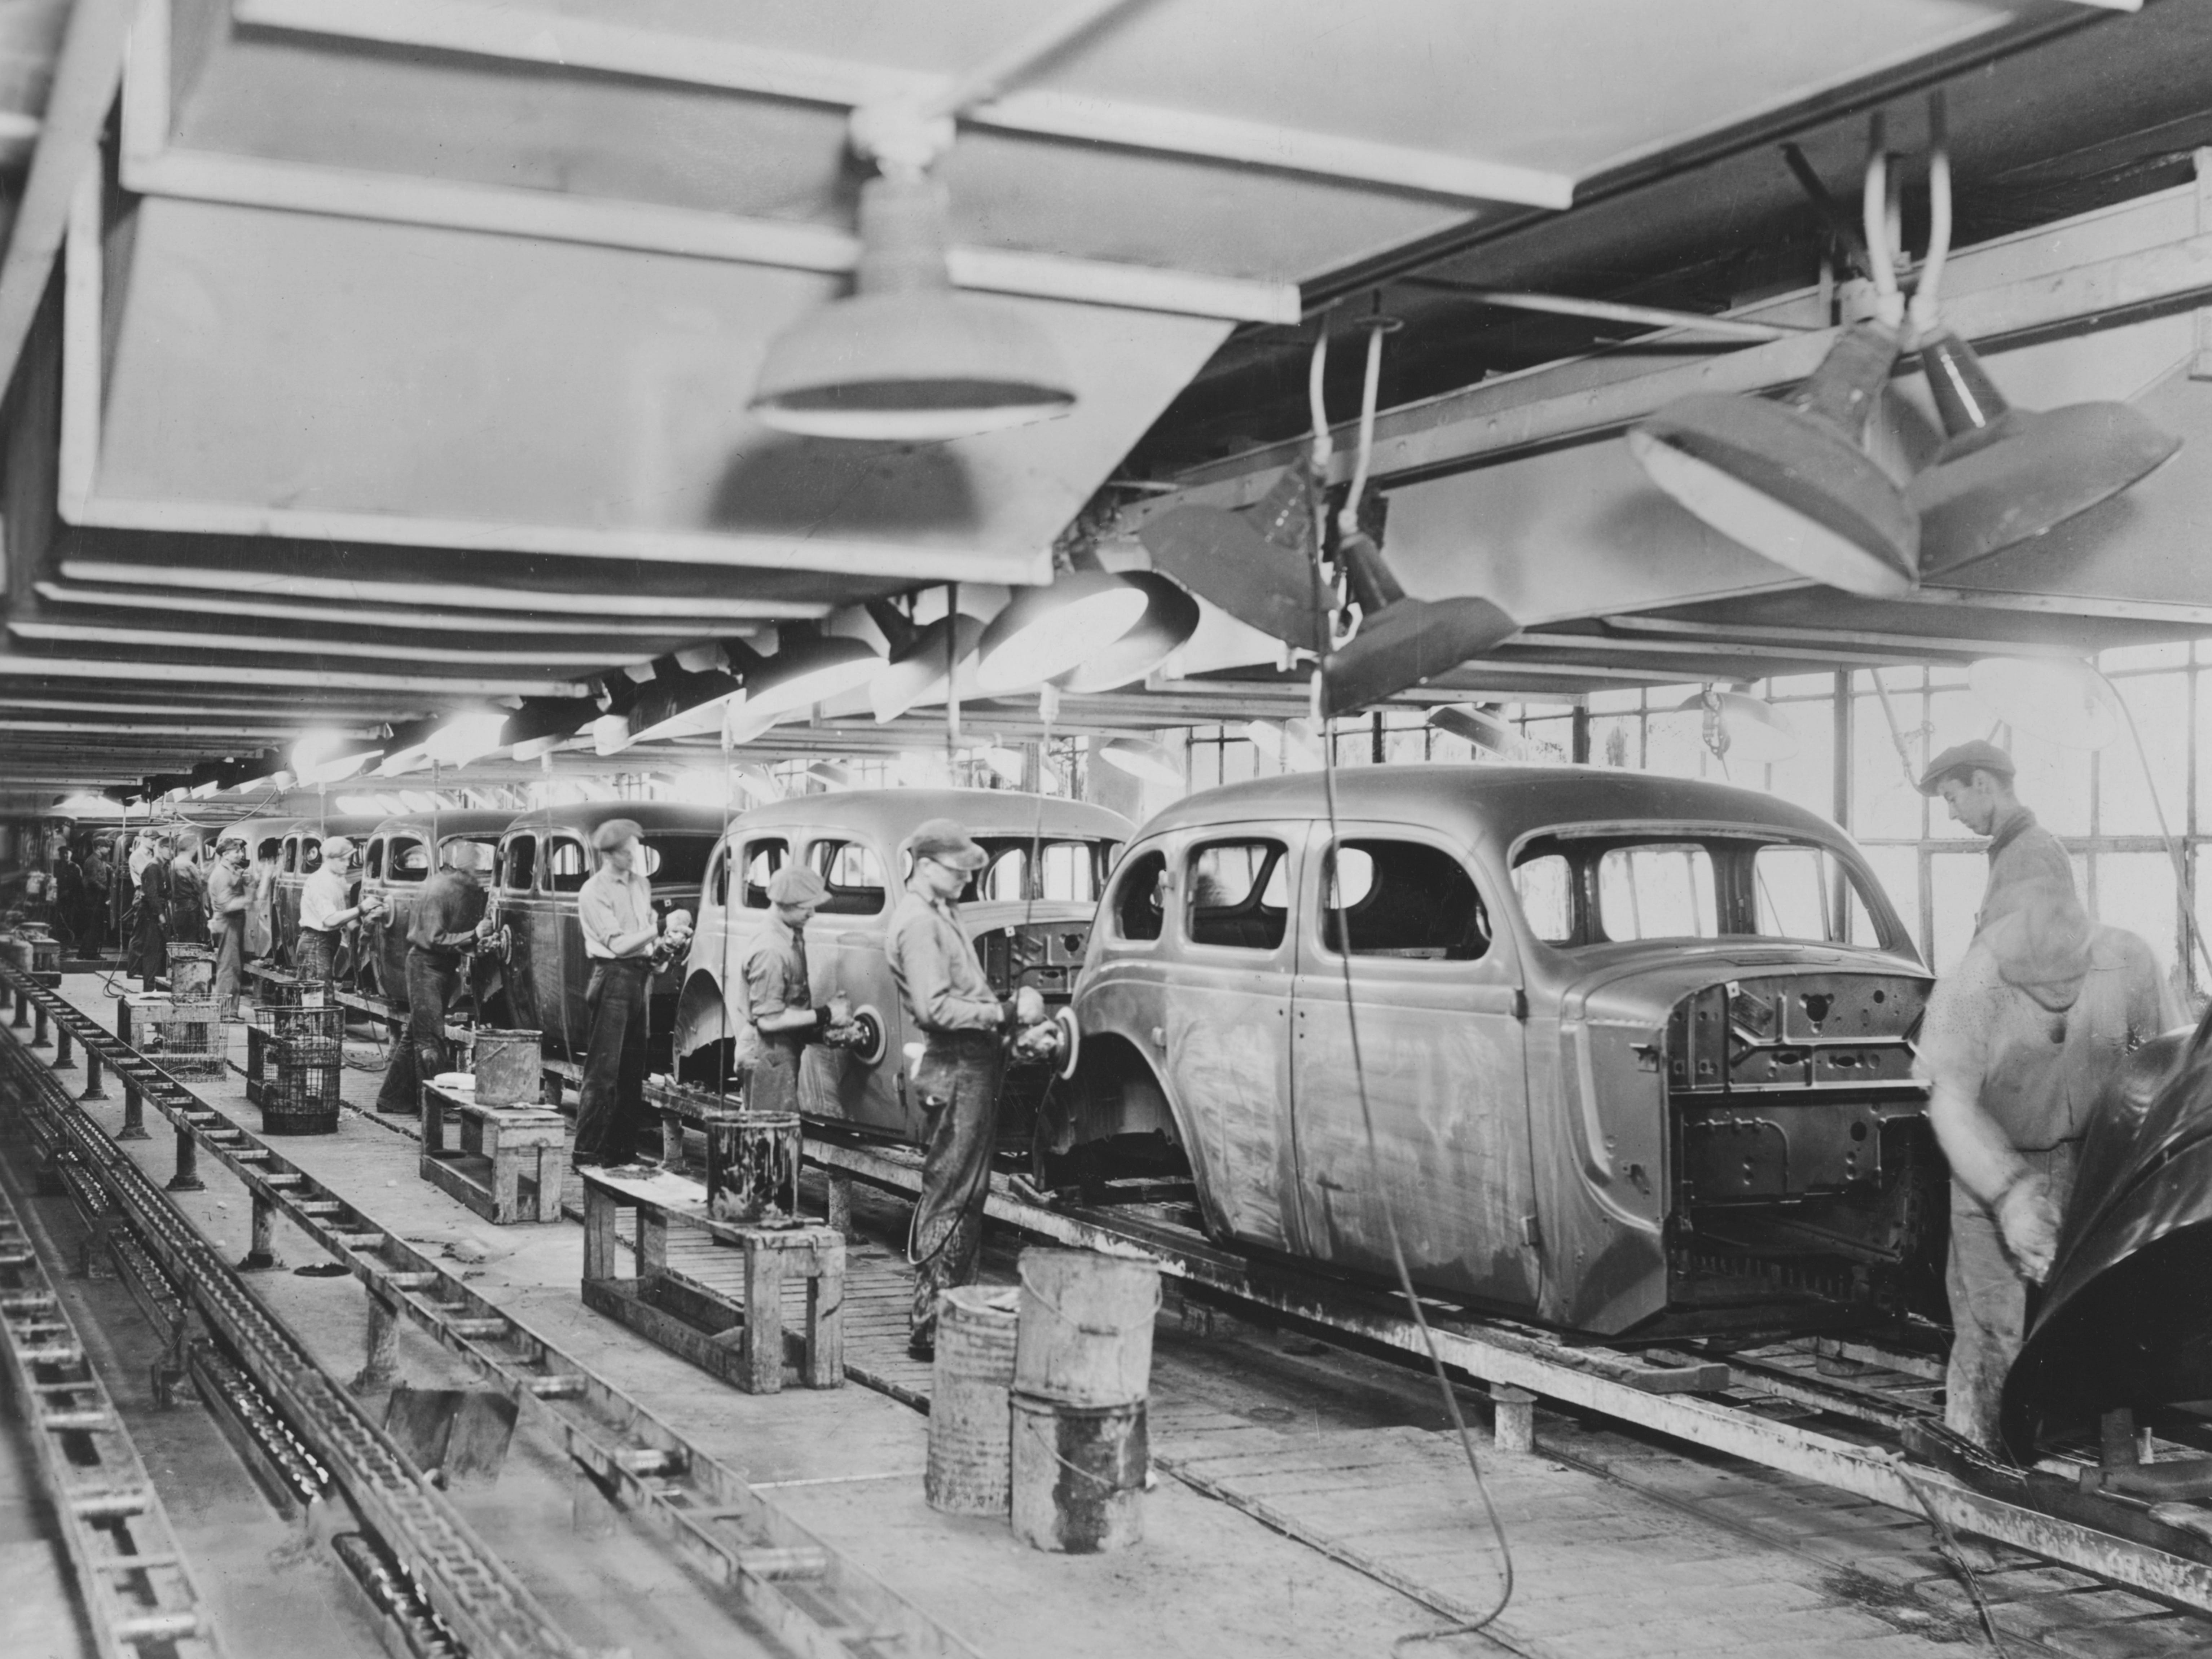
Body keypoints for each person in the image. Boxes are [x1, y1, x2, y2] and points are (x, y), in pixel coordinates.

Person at [1915, 873, 2179, 1453]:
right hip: (1993, 1162)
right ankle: (1977, 1470)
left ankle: (2123, 1467)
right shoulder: (1970, 983)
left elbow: (2166, 1062)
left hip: (2099, 1158)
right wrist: (2010, 1195)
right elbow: (1952, 1105)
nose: (2058, 990)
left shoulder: (2130, 961)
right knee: (1993, 1329)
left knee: (2114, 1318)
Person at [885, 818, 1046, 1360]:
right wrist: (1006, 1010)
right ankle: (931, 1326)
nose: (966, 879)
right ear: (926, 865)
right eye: (957, 870)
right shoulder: (918, 923)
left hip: (972, 1063)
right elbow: (934, 1008)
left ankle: (950, 1318)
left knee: (967, 1195)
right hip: (956, 1066)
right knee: (952, 1195)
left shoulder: (942, 912)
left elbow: (962, 992)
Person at [572, 819, 685, 1168]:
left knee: (632, 1074)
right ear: (608, 854)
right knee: (603, 1074)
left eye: (635, 850)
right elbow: (619, 946)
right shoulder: (594, 891)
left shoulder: (641, 884)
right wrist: (662, 926)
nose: (632, 858)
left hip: (639, 979)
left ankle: (621, 1152)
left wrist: (665, 948)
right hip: (612, 979)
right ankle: (587, 1153)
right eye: (625, 852)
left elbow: (645, 938)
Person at [375, 840, 493, 1115]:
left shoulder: (461, 888)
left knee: (416, 1034)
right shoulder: (440, 890)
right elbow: (433, 938)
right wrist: (475, 935)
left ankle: (392, 1099)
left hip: (440, 966)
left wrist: (476, 943)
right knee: (430, 1040)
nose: (480, 879)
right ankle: (435, 1109)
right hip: (425, 967)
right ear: (463, 868)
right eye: (477, 872)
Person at [1919, 739, 2074, 929]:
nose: (1952, 815)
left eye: (1952, 799)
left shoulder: (2028, 854)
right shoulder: (2019, 846)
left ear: (1981, 783)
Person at [740, 865, 852, 1119]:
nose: (812, 913)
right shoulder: (771, 949)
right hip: (768, 1054)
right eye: (805, 907)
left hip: (779, 1050)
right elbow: (769, 1021)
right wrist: (827, 1014)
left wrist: (822, 1029)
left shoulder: (790, 933)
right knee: (773, 1134)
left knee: (777, 1132)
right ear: (783, 905)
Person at [297, 837, 376, 983]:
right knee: (318, 994)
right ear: (328, 859)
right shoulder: (319, 882)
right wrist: (362, 908)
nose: (347, 864)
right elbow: (331, 920)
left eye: (348, 859)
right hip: (316, 943)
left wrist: (361, 929)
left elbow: (344, 916)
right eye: (342, 860)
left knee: (322, 992)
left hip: (327, 942)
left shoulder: (338, 880)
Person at [206, 834, 252, 1018]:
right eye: (236, 852)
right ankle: (225, 1012)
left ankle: (230, 1011)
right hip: (227, 923)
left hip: (233, 923)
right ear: (225, 855)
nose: (240, 855)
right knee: (229, 968)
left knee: (234, 967)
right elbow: (226, 906)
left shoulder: (231, 871)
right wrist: (249, 900)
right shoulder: (222, 875)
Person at [135, 834, 171, 992]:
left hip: (158, 911)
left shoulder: (164, 866)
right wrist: (161, 915)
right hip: (151, 913)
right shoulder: (153, 867)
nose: (172, 853)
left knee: (159, 951)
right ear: (161, 849)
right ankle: (149, 988)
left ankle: (156, 985)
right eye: (170, 849)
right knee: (152, 950)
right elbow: (152, 894)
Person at [167, 831, 209, 949]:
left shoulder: (173, 863)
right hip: (191, 908)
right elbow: (200, 887)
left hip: (178, 906)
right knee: (191, 941)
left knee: (182, 940)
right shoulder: (188, 865)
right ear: (192, 847)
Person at [82, 841, 111, 953]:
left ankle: (87, 953)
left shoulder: (98, 860)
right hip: (94, 897)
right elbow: (92, 880)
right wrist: (105, 889)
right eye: (107, 847)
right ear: (99, 847)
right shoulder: (94, 861)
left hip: (96, 896)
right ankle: (90, 953)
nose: (109, 849)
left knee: (95, 926)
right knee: (93, 926)